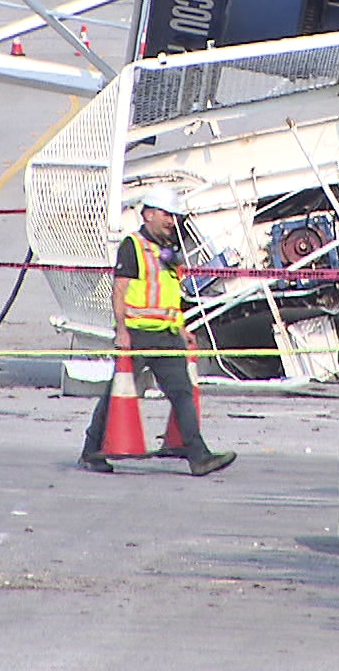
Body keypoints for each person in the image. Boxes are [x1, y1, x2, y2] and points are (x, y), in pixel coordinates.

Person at [80, 187, 237, 477]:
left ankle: (199, 456)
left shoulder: (167, 253)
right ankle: (91, 451)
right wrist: (122, 331)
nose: (170, 221)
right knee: (116, 393)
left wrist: (181, 328)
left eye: (173, 216)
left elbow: (170, 295)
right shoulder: (133, 246)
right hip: (137, 335)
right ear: (148, 214)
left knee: (182, 393)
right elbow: (120, 290)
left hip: (166, 335)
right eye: (166, 215)